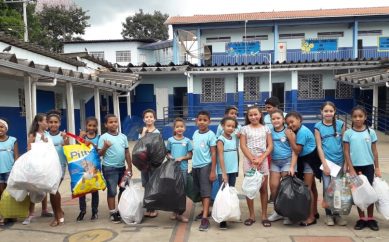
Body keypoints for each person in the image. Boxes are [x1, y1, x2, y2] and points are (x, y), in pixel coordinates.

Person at [343, 105, 380, 231]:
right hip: (355, 168)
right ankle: (362, 219)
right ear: (351, 118)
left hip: (368, 166)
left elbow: (375, 151)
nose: (358, 119)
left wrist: (378, 167)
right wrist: (350, 168)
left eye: (360, 116)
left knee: (369, 192)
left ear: (365, 117)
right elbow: (346, 152)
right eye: (355, 116)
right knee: (358, 193)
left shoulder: (371, 132)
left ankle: (370, 219)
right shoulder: (348, 133)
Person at [314, 102, 347, 226]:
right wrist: (325, 164)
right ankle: (328, 215)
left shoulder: (341, 125)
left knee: (338, 189)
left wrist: (345, 163)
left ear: (334, 112)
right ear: (321, 112)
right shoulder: (318, 126)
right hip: (327, 163)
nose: (328, 113)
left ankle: (337, 215)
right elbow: (319, 147)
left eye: (330, 111)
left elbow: (345, 145)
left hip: (339, 162)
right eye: (326, 111)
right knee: (327, 189)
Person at [285, 111, 321, 226]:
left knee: (307, 189)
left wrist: (290, 138)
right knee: (313, 188)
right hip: (306, 160)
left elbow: (297, 150)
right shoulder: (298, 130)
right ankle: (314, 212)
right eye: (288, 123)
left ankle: (310, 217)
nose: (290, 125)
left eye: (292, 122)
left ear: (299, 120)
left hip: (309, 161)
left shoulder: (302, 132)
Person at [240, 106, 273, 227]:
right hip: (249, 162)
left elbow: (270, 146)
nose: (253, 117)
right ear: (248, 117)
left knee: (263, 189)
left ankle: (264, 215)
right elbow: (243, 146)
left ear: (260, 115)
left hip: (262, 161)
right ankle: (251, 215)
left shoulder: (266, 129)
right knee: (250, 188)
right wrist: (252, 159)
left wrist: (261, 158)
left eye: (255, 114)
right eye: (250, 115)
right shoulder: (244, 129)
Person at [98, 114, 132, 224]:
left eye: (115, 122)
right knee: (112, 191)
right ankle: (113, 212)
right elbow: (99, 153)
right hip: (109, 168)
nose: (113, 124)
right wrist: (105, 147)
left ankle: (121, 210)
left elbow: (127, 152)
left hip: (122, 168)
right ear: (106, 125)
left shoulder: (123, 137)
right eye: (111, 122)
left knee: (123, 190)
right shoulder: (103, 137)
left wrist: (129, 167)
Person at [267, 110, 297, 225]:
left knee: (286, 190)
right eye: (273, 119)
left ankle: (287, 214)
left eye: (278, 118)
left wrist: (292, 166)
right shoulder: (269, 132)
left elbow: (295, 151)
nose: (276, 121)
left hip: (287, 162)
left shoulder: (289, 132)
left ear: (283, 119)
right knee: (274, 188)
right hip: (275, 162)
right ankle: (277, 212)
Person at [23, 113, 54, 225]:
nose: (47, 123)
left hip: (44, 164)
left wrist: (45, 142)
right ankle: (30, 213)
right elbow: (29, 149)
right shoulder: (33, 134)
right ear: (39, 122)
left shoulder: (47, 134)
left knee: (44, 187)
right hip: (35, 165)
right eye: (46, 120)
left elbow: (49, 148)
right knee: (33, 188)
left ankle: (44, 210)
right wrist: (41, 142)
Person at [192, 110, 217, 231]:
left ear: (209, 122)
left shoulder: (211, 135)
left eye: (205, 120)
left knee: (206, 192)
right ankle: (205, 211)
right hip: (195, 166)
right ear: (196, 121)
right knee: (201, 191)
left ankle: (205, 218)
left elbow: (213, 153)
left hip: (206, 166)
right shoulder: (195, 133)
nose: (202, 122)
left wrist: (212, 171)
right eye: (200, 119)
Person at [166, 117, 193, 223]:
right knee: (173, 191)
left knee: (182, 192)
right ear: (174, 128)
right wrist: (171, 157)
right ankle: (174, 211)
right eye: (177, 127)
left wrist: (182, 158)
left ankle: (180, 214)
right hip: (172, 170)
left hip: (183, 169)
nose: (179, 128)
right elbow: (167, 153)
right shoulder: (170, 140)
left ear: (185, 128)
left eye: (181, 126)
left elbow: (190, 155)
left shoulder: (187, 141)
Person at [46, 110, 69, 227]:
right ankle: (58, 211)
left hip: (60, 166)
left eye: (55, 122)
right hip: (47, 166)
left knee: (53, 189)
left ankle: (57, 215)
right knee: (52, 190)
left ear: (59, 123)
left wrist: (65, 141)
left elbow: (67, 150)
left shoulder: (63, 135)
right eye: (50, 122)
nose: (53, 124)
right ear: (47, 123)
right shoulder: (44, 136)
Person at [216, 117, 239, 230]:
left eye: (233, 126)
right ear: (223, 126)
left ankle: (230, 214)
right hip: (224, 171)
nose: (231, 128)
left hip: (233, 170)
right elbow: (220, 156)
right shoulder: (220, 139)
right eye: (228, 126)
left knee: (231, 193)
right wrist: (224, 173)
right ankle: (222, 219)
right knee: (224, 195)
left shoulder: (234, 137)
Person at [76, 117, 100, 221]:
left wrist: (92, 144)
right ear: (86, 126)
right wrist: (79, 138)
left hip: (95, 167)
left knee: (94, 189)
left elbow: (99, 150)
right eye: (89, 125)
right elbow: (76, 149)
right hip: (83, 166)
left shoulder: (99, 137)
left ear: (96, 127)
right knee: (83, 189)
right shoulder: (83, 136)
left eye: (94, 126)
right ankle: (82, 210)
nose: (91, 127)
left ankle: (94, 211)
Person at [139, 109, 160, 218]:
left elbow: (158, 148)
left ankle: (153, 208)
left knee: (152, 185)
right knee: (146, 184)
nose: (149, 119)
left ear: (154, 119)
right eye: (147, 117)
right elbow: (140, 144)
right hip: (144, 163)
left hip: (153, 163)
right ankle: (148, 208)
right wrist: (143, 132)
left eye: (151, 117)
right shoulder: (142, 131)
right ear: (144, 119)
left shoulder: (157, 132)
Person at [0, 118, 19, 226]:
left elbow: (16, 156)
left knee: (10, 192)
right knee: (1, 193)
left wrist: (15, 169)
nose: (0, 129)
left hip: (10, 171)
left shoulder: (13, 140)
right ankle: (3, 214)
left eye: (2, 126)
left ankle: (11, 214)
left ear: (6, 128)